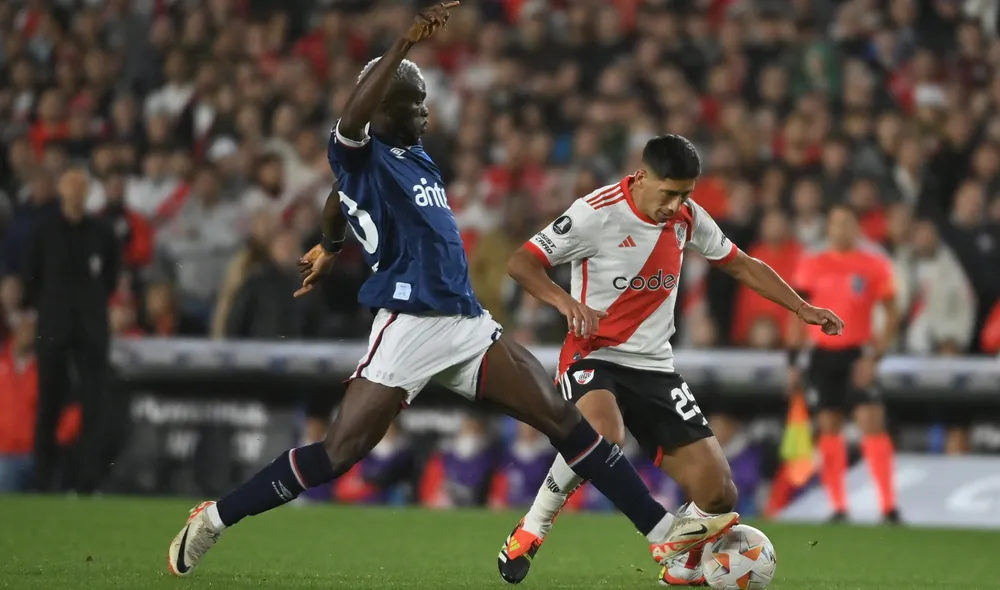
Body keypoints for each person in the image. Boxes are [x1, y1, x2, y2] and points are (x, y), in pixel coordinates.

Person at [166, 3, 737, 578]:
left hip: (465, 323)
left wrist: (330, 243)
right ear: (385, 104)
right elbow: (348, 128)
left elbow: (339, 200)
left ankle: (662, 532)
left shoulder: (410, 159)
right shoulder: (358, 149)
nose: (427, 112)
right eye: (415, 102)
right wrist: (405, 44)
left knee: (565, 421)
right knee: (339, 453)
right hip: (409, 324)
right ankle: (216, 517)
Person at [497, 135, 845, 586]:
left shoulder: (687, 217)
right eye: (669, 193)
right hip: (594, 352)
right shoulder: (595, 212)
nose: (676, 204)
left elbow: (739, 263)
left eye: (686, 194)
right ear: (642, 177)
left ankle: (682, 567)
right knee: (603, 432)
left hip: (655, 366)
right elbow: (521, 263)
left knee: (720, 493)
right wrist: (565, 303)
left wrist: (801, 307)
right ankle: (533, 525)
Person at [789, 204, 901, 523]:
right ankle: (838, 506)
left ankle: (888, 505)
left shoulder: (874, 265)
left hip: (857, 353)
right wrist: (794, 360)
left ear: (857, 228)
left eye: (848, 224)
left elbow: (892, 311)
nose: (842, 230)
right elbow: (796, 312)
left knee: (871, 419)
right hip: (823, 355)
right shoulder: (813, 264)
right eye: (837, 224)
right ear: (829, 229)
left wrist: (875, 355)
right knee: (829, 426)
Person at [23, 167, 120, 494]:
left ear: (88, 191)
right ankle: (43, 481)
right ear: (62, 191)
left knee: (94, 406)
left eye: (82, 187)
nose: (77, 192)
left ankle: (86, 483)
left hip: (91, 328)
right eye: (71, 186)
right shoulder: (44, 230)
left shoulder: (102, 232)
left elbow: (110, 278)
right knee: (48, 402)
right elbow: (30, 278)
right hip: (53, 327)